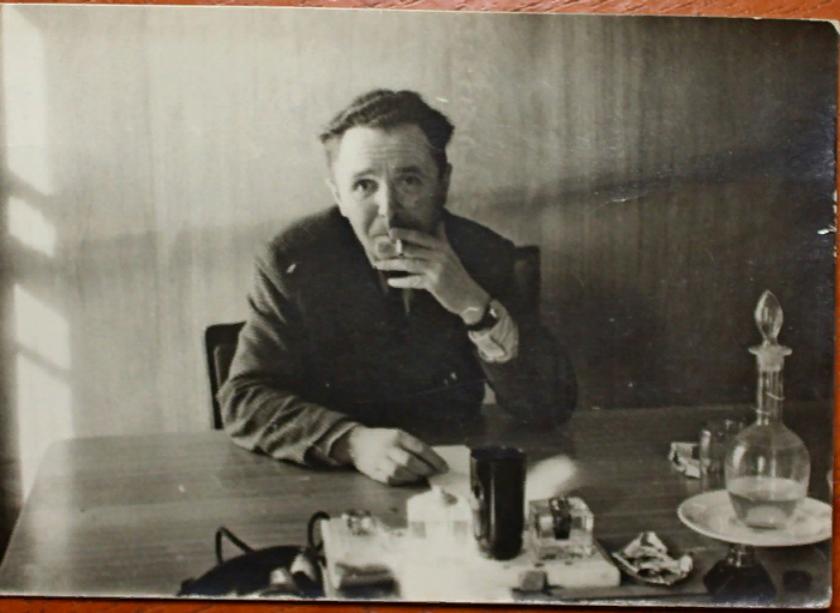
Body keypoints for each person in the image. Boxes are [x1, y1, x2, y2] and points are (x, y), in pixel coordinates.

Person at [219, 89, 576, 485]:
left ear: (443, 183)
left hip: (451, 476)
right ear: (338, 194)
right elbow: (243, 398)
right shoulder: (292, 260)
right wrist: (351, 442)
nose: (388, 210)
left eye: (409, 180)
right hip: (330, 480)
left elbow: (549, 406)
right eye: (363, 185)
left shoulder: (485, 255)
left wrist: (474, 306)